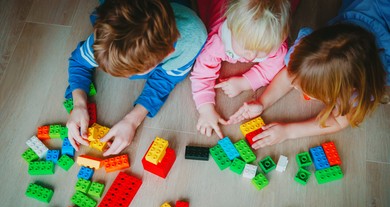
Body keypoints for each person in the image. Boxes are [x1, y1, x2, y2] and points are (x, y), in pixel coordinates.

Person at [228, 0, 389, 149]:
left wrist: (288, 132)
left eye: (307, 91)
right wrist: (262, 102)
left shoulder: (356, 91)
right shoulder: (306, 52)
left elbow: (339, 122)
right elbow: (290, 75)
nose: (297, 88)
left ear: (341, 92)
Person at [65, 0, 207, 156]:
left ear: (168, 53)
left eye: (136, 73)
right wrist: (78, 103)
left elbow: (165, 80)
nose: (128, 77)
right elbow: (78, 62)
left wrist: (133, 120)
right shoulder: (106, 38)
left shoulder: (190, 41)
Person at [190, 0, 292, 138]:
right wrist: (206, 109)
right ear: (231, 29)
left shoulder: (276, 44)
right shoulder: (217, 43)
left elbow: (273, 67)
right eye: (246, 48)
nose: (252, 56)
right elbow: (202, 74)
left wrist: (245, 82)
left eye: (263, 51)